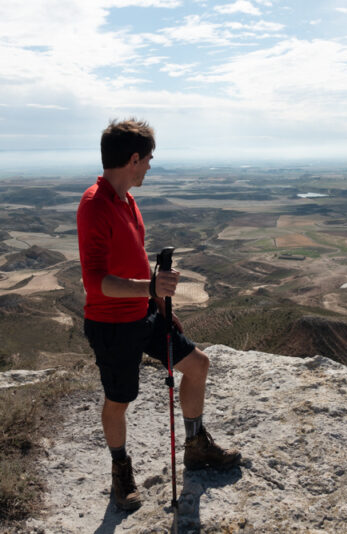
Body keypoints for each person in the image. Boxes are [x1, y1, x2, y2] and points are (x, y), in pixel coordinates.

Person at [77, 119, 241, 511]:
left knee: (197, 364)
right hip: (111, 325)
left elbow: (134, 266)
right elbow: (95, 281)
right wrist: (148, 290)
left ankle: (196, 445)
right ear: (134, 159)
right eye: (148, 159)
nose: (150, 166)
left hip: (145, 315)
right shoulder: (94, 206)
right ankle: (121, 469)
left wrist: (159, 307)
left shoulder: (129, 202)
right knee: (119, 400)